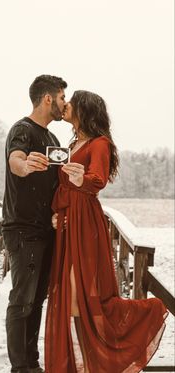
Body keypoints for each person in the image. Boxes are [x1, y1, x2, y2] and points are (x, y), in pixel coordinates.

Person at [45, 90, 168, 373]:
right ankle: (87, 366)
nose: (66, 106)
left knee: (84, 298)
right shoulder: (74, 142)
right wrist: (58, 211)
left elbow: (97, 180)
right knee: (69, 299)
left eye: (71, 102)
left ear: (83, 110)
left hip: (85, 223)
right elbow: (64, 187)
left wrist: (81, 178)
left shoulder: (99, 143)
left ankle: (108, 353)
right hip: (68, 221)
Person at [2, 74, 67, 373]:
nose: (64, 104)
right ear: (48, 98)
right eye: (62, 97)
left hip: (46, 230)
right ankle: (20, 368)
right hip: (23, 229)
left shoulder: (54, 140)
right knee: (22, 300)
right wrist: (25, 166)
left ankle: (32, 363)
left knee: (37, 300)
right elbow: (16, 159)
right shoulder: (22, 130)